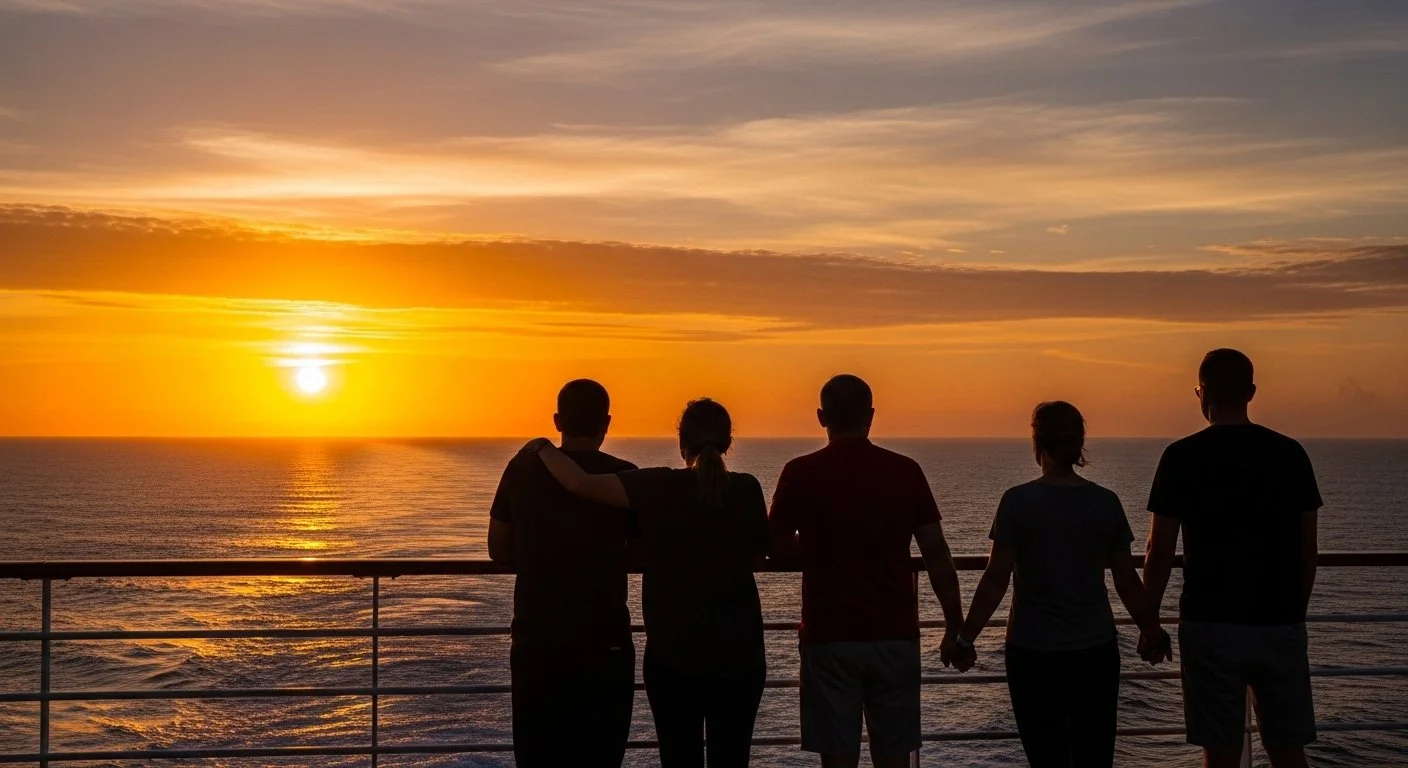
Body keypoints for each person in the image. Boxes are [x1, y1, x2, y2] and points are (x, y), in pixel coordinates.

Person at [524, 398, 769, 768]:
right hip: (740, 655)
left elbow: (579, 483)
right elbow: (758, 553)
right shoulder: (748, 489)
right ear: (728, 442)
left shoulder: (657, 486)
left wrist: (541, 445)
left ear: (681, 442)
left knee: (678, 758)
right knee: (732, 759)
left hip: (673, 655)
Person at [950, 401, 1171, 768]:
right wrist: (1152, 631)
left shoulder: (1017, 502)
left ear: (1037, 443)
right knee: (1094, 756)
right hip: (1094, 651)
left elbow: (995, 580)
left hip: (1032, 653)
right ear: (1079, 444)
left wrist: (964, 639)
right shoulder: (1105, 503)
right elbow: (1127, 581)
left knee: (1046, 757)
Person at [768, 374, 966, 768]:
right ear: (871, 416)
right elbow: (937, 554)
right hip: (893, 636)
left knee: (837, 761)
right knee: (894, 759)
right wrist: (954, 626)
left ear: (821, 417)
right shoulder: (905, 471)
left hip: (828, 637)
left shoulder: (799, 472)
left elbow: (775, 549)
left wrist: (816, 547)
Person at [1141, 349, 1322, 768]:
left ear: (1202, 394)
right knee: (1288, 750)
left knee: (1219, 754)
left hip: (1210, 625)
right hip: (1279, 622)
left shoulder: (1180, 457)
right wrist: (1295, 612)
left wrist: (1149, 623)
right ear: (1251, 392)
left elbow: (1159, 551)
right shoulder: (1290, 454)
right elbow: (1307, 552)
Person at [485, 379, 638, 768]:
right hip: (605, 644)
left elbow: (498, 549)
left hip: (538, 643)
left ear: (557, 421)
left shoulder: (521, 470)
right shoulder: (627, 478)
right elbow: (644, 548)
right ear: (607, 422)